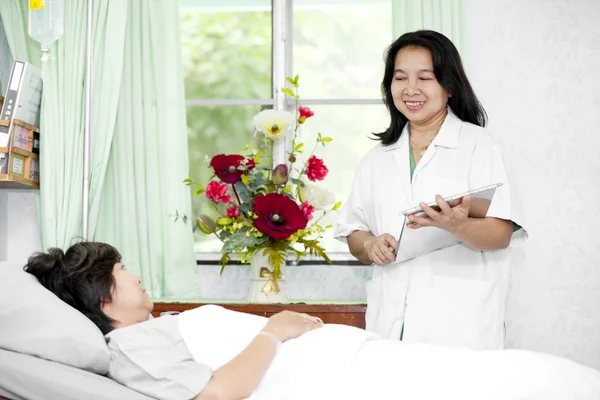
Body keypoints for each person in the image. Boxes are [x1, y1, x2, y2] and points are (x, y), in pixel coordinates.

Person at [24, 242, 600, 400]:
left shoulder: (155, 326)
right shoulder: (131, 348)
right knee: (524, 381)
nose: (138, 276)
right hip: (338, 381)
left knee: (513, 376)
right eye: (124, 271)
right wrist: (272, 331)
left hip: (356, 363)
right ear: (102, 298)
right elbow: (218, 394)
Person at [334, 30, 526, 349]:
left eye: (425, 77)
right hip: (389, 323)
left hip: (461, 325)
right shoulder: (377, 158)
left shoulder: (478, 147)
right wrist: (370, 245)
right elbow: (354, 232)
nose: (411, 89)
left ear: (449, 86)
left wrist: (457, 225)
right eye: (400, 78)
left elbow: (499, 233)